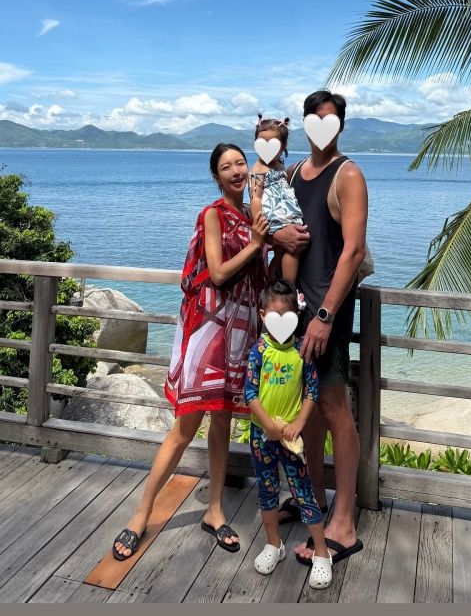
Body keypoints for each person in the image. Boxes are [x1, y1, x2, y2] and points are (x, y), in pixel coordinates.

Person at [112, 143, 269, 560]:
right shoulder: (212, 214)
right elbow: (216, 272)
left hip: (240, 331)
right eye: (226, 166)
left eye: (240, 163)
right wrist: (255, 244)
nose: (235, 170)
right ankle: (141, 515)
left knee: (223, 423)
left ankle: (214, 510)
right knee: (185, 428)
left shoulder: (252, 214)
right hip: (208, 331)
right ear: (216, 177)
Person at [273, 90, 368, 567]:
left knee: (333, 407)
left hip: (327, 314)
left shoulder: (347, 174)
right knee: (307, 409)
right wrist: (277, 234)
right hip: (295, 312)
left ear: (340, 126)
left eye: (330, 119)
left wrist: (326, 316)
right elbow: (271, 221)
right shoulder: (293, 174)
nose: (321, 126)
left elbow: (353, 250)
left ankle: (344, 522)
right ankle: (312, 497)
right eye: (314, 118)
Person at [244, 279, 333, 590]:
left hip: (292, 439)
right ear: (262, 315)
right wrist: (267, 424)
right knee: (266, 490)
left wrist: (299, 423)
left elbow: (311, 391)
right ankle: (273, 543)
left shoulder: (301, 351)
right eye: (274, 316)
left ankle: (321, 552)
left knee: (303, 491)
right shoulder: (259, 351)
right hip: (262, 436)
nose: (281, 322)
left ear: (297, 316)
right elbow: (250, 392)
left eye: (288, 316)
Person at [249, 114, 303, 283]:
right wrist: (259, 222)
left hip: (284, 211)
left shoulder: (279, 164)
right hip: (275, 215)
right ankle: (289, 286)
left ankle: (275, 280)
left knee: (281, 252)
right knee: (292, 250)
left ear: (283, 146)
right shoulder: (258, 169)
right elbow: (255, 197)